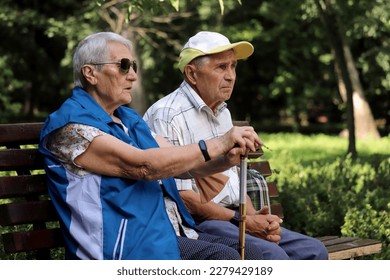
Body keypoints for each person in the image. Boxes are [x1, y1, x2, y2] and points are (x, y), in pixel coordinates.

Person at [38, 31, 265, 260]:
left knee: (251, 253)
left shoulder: (127, 119)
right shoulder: (71, 128)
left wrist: (225, 159)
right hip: (122, 250)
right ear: (90, 73)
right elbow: (143, 166)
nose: (133, 76)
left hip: (160, 236)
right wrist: (218, 143)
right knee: (225, 260)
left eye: (134, 66)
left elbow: (180, 164)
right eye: (124, 66)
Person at [144, 31, 329, 260]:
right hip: (204, 224)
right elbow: (185, 200)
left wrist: (257, 218)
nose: (231, 76)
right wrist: (245, 221)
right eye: (221, 67)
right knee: (274, 258)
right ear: (192, 73)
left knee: (314, 252)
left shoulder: (223, 111)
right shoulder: (168, 115)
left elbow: (233, 181)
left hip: (236, 217)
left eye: (233, 67)